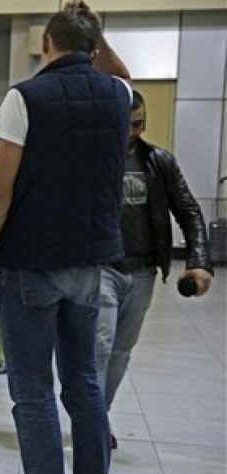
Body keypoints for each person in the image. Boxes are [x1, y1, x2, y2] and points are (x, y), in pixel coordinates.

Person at [0, 3, 131, 474]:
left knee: (33, 391)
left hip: (33, 261)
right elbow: (120, 73)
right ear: (93, 48)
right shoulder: (118, 97)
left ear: (45, 43)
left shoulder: (25, 96)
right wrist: (94, 33)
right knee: (84, 383)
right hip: (90, 262)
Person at [97, 90, 213, 447]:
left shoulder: (158, 162)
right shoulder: (90, 161)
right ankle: (94, 428)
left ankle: (98, 418)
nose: (132, 132)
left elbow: (189, 210)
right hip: (100, 269)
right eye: (125, 124)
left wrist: (198, 262)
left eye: (139, 124)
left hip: (143, 270)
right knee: (99, 348)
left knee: (120, 351)